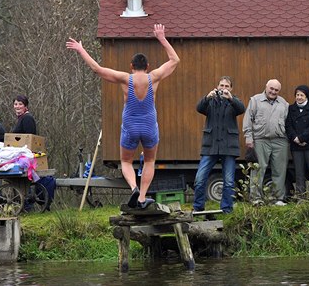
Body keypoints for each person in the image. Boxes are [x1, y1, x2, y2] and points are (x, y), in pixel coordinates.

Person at [66, 24, 180, 209]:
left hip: (130, 126)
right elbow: (175, 60)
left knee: (126, 161)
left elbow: (97, 69)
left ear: (131, 66)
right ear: (148, 66)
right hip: (150, 125)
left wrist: (81, 49)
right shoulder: (155, 76)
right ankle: (142, 198)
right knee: (150, 160)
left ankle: (134, 188)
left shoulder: (125, 79)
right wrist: (161, 37)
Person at [192, 76, 245, 213]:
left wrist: (230, 98)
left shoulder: (234, 102)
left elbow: (241, 108)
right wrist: (207, 97)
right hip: (210, 146)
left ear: (231, 88)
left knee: (228, 182)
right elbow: (199, 108)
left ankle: (227, 209)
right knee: (199, 179)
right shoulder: (211, 101)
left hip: (228, 147)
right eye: (222, 85)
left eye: (227, 86)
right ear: (217, 86)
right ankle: (198, 208)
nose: (224, 88)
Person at [242, 79, 290, 206]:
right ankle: (256, 199)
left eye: (276, 90)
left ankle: (277, 199)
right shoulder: (255, 100)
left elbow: (288, 123)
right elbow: (248, 120)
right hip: (260, 139)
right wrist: (248, 137)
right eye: (271, 89)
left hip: (280, 141)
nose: (273, 92)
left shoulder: (284, 103)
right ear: (266, 87)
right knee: (258, 169)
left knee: (279, 170)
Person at [285, 85, 309, 198]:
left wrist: (302, 138)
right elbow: (288, 125)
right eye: (297, 95)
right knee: (299, 173)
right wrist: (296, 138)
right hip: (296, 146)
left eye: (301, 95)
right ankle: (301, 199)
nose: (299, 97)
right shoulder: (291, 109)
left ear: (306, 96)